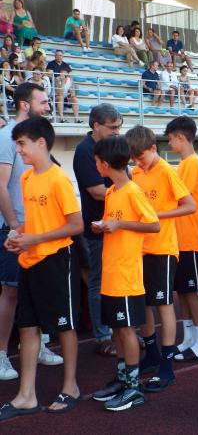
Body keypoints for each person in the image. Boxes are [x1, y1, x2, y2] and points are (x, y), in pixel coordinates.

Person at [0, 116, 83, 422]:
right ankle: (26, 395)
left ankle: (70, 387)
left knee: (64, 325)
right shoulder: (26, 178)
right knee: (27, 326)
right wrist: (19, 235)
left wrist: (36, 238)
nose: (18, 150)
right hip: (31, 259)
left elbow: (76, 225)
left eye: (21, 144)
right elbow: (35, 222)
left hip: (57, 260)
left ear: (40, 143)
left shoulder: (58, 179)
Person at [90, 137, 160, 411]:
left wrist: (119, 224)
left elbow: (153, 225)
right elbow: (116, 226)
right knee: (118, 330)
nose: (95, 165)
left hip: (127, 273)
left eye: (96, 162)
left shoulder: (132, 191)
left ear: (105, 164)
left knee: (127, 329)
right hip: (111, 272)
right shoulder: (111, 192)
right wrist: (105, 227)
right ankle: (122, 379)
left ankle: (133, 387)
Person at [0, 83, 63, 381]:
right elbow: (0, 185)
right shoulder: (6, 138)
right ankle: (1, 355)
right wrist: (13, 226)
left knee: (34, 290)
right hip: (16, 229)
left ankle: (39, 346)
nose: (48, 105)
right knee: (11, 291)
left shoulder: (36, 141)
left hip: (39, 231)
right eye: (43, 101)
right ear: (25, 105)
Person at [126, 125, 195, 391]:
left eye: (141, 157)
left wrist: (157, 216)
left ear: (154, 149)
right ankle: (151, 352)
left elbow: (188, 206)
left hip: (163, 248)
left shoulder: (167, 172)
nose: (137, 163)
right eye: (134, 159)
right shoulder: (135, 172)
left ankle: (166, 365)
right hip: (138, 248)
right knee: (142, 305)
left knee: (163, 304)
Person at [162, 117, 198, 362]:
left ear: (181, 138)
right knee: (182, 291)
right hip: (179, 238)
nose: (169, 142)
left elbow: (177, 197)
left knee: (191, 292)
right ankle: (189, 338)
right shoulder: (183, 164)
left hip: (191, 237)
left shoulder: (192, 163)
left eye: (171, 138)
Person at [73, 104, 123, 357]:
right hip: (97, 229)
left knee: (117, 281)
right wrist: (128, 196)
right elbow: (96, 191)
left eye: (119, 127)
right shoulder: (84, 151)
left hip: (120, 226)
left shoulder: (113, 147)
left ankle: (119, 330)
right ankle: (103, 336)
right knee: (97, 283)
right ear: (95, 125)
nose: (117, 132)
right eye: (112, 127)